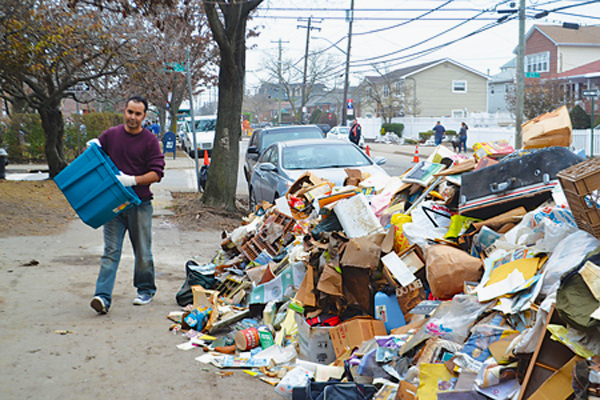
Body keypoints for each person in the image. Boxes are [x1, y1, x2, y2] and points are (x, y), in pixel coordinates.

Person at [89, 96, 165, 315]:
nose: (133, 117)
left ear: (144, 116)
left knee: (142, 251)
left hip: (140, 204)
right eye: (130, 112)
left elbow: (157, 173)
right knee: (110, 252)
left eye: (138, 114)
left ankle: (146, 290)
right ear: (124, 111)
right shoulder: (111, 135)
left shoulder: (149, 141)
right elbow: (96, 155)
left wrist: (132, 180)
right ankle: (102, 297)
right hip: (113, 205)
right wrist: (93, 147)